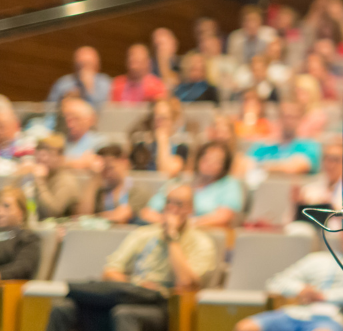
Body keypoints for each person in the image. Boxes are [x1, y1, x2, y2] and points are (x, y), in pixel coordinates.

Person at [46, 185, 217, 331]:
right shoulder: (144, 234)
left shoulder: (201, 242)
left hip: (165, 305)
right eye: (168, 203)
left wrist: (172, 238)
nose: (171, 208)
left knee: (124, 314)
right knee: (63, 308)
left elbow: (187, 283)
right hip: (133, 295)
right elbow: (110, 271)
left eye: (179, 204)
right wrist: (136, 284)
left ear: (191, 209)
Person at [234, 230, 343, 331]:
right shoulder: (317, 259)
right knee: (245, 327)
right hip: (296, 312)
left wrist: (324, 296)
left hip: (333, 317)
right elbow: (275, 282)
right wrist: (300, 290)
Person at [140, 141, 243, 229]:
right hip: (168, 231)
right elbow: (147, 212)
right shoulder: (179, 182)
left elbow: (224, 217)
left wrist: (187, 225)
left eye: (217, 161)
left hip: (206, 236)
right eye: (206, 158)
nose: (210, 163)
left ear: (224, 165)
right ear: (198, 159)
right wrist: (169, 223)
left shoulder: (229, 184)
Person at [78, 145, 152, 224]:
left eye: (110, 168)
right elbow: (81, 216)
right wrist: (93, 182)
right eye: (103, 169)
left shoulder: (137, 190)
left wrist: (94, 217)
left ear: (124, 162)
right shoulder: (100, 191)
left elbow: (121, 217)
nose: (107, 174)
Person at [18, 134, 80, 220]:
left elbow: (51, 213)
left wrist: (39, 181)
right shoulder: (38, 176)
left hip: (62, 230)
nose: (42, 159)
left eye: (49, 154)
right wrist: (20, 176)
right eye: (38, 154)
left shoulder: (66, 180)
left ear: (61, 158)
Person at [249, 102, 321, 175]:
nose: (289, 121)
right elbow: (245, 164)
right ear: (279, 118)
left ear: (300, 120)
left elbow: (294, 167)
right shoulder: (264, 145)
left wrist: (259, 165)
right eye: (286, 116)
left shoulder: (309, 145)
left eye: (293, 117)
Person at [128, 97, 190, 178]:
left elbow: (166, 174)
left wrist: (162, 140)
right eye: (155, 118)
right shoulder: (141, 146)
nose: (158, 123)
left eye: (163, 118)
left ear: (173, 121)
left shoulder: (181, 148)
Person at [47, 46, 112, 108]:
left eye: (88, 64)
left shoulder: (105, 82)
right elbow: (50, 107)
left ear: (97, 66)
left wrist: (89, 88)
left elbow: (104, 109)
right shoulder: (63, 83)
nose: (84, 69)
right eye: (81, 64)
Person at [0, 186, 41, 279]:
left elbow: (23, 268)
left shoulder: (28, 238)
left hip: (11, 287)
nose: (0, 213)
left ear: (21, 213)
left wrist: (1, 274)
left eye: (6, 206)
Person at [295, 140, 343, 211]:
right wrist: (297, 204)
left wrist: (331, 206)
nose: (331, 165)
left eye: (336, 160)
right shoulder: (308, 190)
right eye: (327, 159)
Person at [60, 95, 104, 170]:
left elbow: (97, 164)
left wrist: (61, 161)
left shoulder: (99, 142)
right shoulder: (60, 140)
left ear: (89, 120)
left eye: (76, 119)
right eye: (68, 119)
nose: (70, 124)